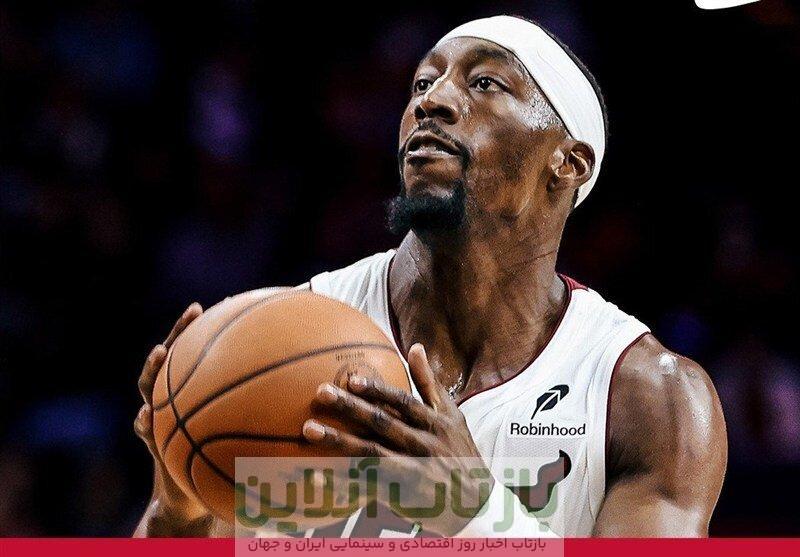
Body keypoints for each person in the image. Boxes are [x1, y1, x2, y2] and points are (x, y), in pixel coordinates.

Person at [133, 15, 726, 538]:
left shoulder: (647, 398)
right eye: (422, 84)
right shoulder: (282, 339)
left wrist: (474, 512)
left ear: (568, 163)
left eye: (484, 83)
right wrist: (179, 509)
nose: (432, 101)